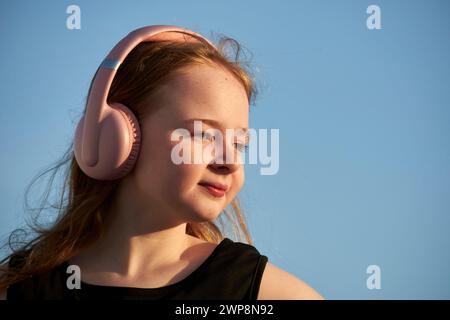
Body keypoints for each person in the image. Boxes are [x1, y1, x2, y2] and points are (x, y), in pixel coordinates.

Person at [0, 25, 323, 300]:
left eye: (239, 144)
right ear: (116, 136)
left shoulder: (261, 293)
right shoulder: (18, 289)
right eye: (203, 135)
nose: (229, 162)